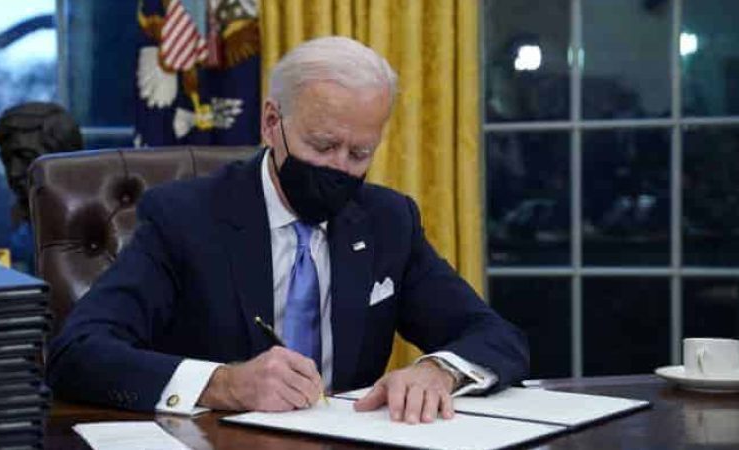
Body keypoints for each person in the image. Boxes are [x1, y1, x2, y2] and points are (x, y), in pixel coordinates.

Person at [47, 37, 529, 424]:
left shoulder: (387, 220)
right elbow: (78, 352)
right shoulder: (184, 218)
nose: (340, 168)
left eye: (359, 153)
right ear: (272, 122)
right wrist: (223, 383)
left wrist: (438, 370)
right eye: (323, 145)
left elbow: (494, 335)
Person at [0, 102, 84, 274]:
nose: (13, 173)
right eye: (6, 160)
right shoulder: (10, 227)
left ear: (64, 161)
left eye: (26, 158)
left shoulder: (98, 228)